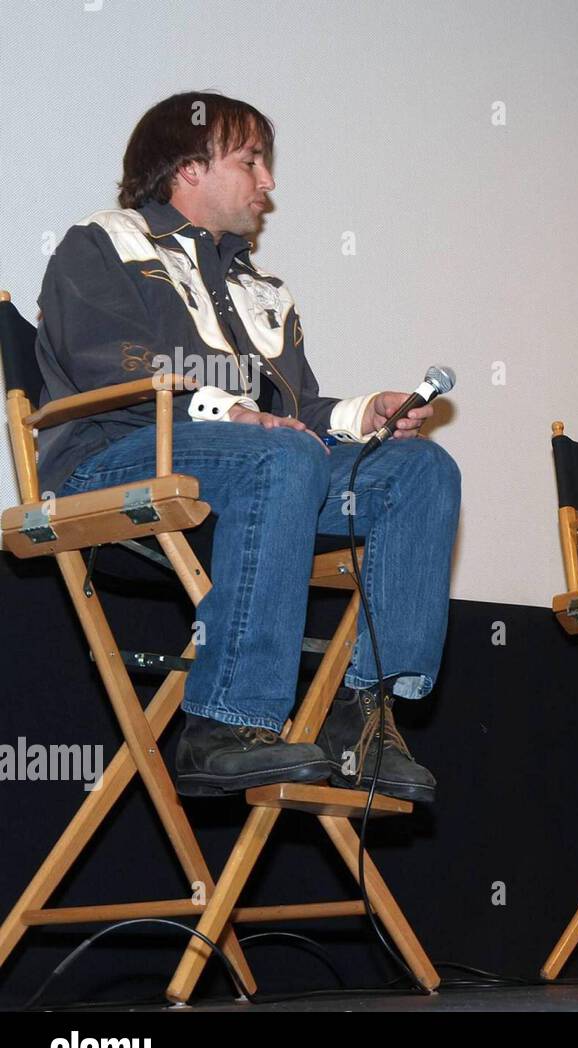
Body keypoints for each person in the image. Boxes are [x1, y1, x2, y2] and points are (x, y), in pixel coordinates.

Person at [35, 92, 460, 804]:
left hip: (246, 472)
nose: (268, 184)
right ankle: (224, 722)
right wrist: (229, 410)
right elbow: (109, 363)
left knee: (421, 469)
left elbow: (294, 414)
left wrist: (364, 412)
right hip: (112, 461)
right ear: (188, 167)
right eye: (252, 161)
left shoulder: (261, 291)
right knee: (279, 457)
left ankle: (364, 718)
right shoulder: (104, 243)